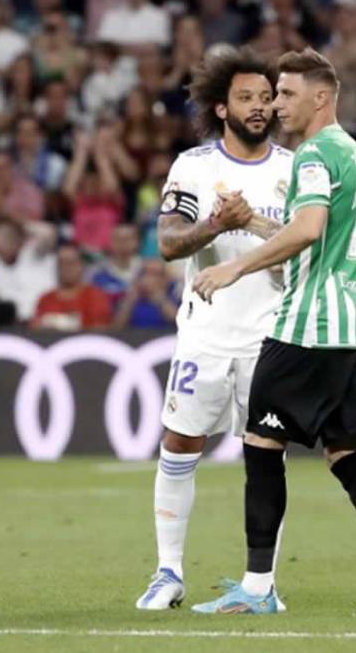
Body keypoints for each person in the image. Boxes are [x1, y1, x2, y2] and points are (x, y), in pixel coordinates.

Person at [192, 49, 356, 616]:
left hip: (307, 327)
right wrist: (251, 220)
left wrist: (232, 267)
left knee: (261, 445)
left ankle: (257, 589)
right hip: (351, 328)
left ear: (321, 97)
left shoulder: (314, 155)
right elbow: (314, 232)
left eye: (287, 94)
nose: (276, 105)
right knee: (344, 454)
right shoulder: (353, 153)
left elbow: (307, 230)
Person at [133, 47, 294, 612]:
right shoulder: (193, 167)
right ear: (221, 108)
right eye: (246, 97)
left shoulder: (294, 169)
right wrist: (216, 223)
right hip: (205, 334)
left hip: (270, 337)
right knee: (180, 442)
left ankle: (261, 583)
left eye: (266, 97)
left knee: (266, 454)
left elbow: (305, 248)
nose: (259, 106)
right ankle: (168, 572)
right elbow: (168, 243)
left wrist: (252, 221)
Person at [32, 244, 112, 331]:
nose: (66, 268)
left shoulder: (95, 296)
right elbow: (35, 330)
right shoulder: (45, 299)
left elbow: (100, 331)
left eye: (71, 263)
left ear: (81, 265)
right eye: (62, 263)